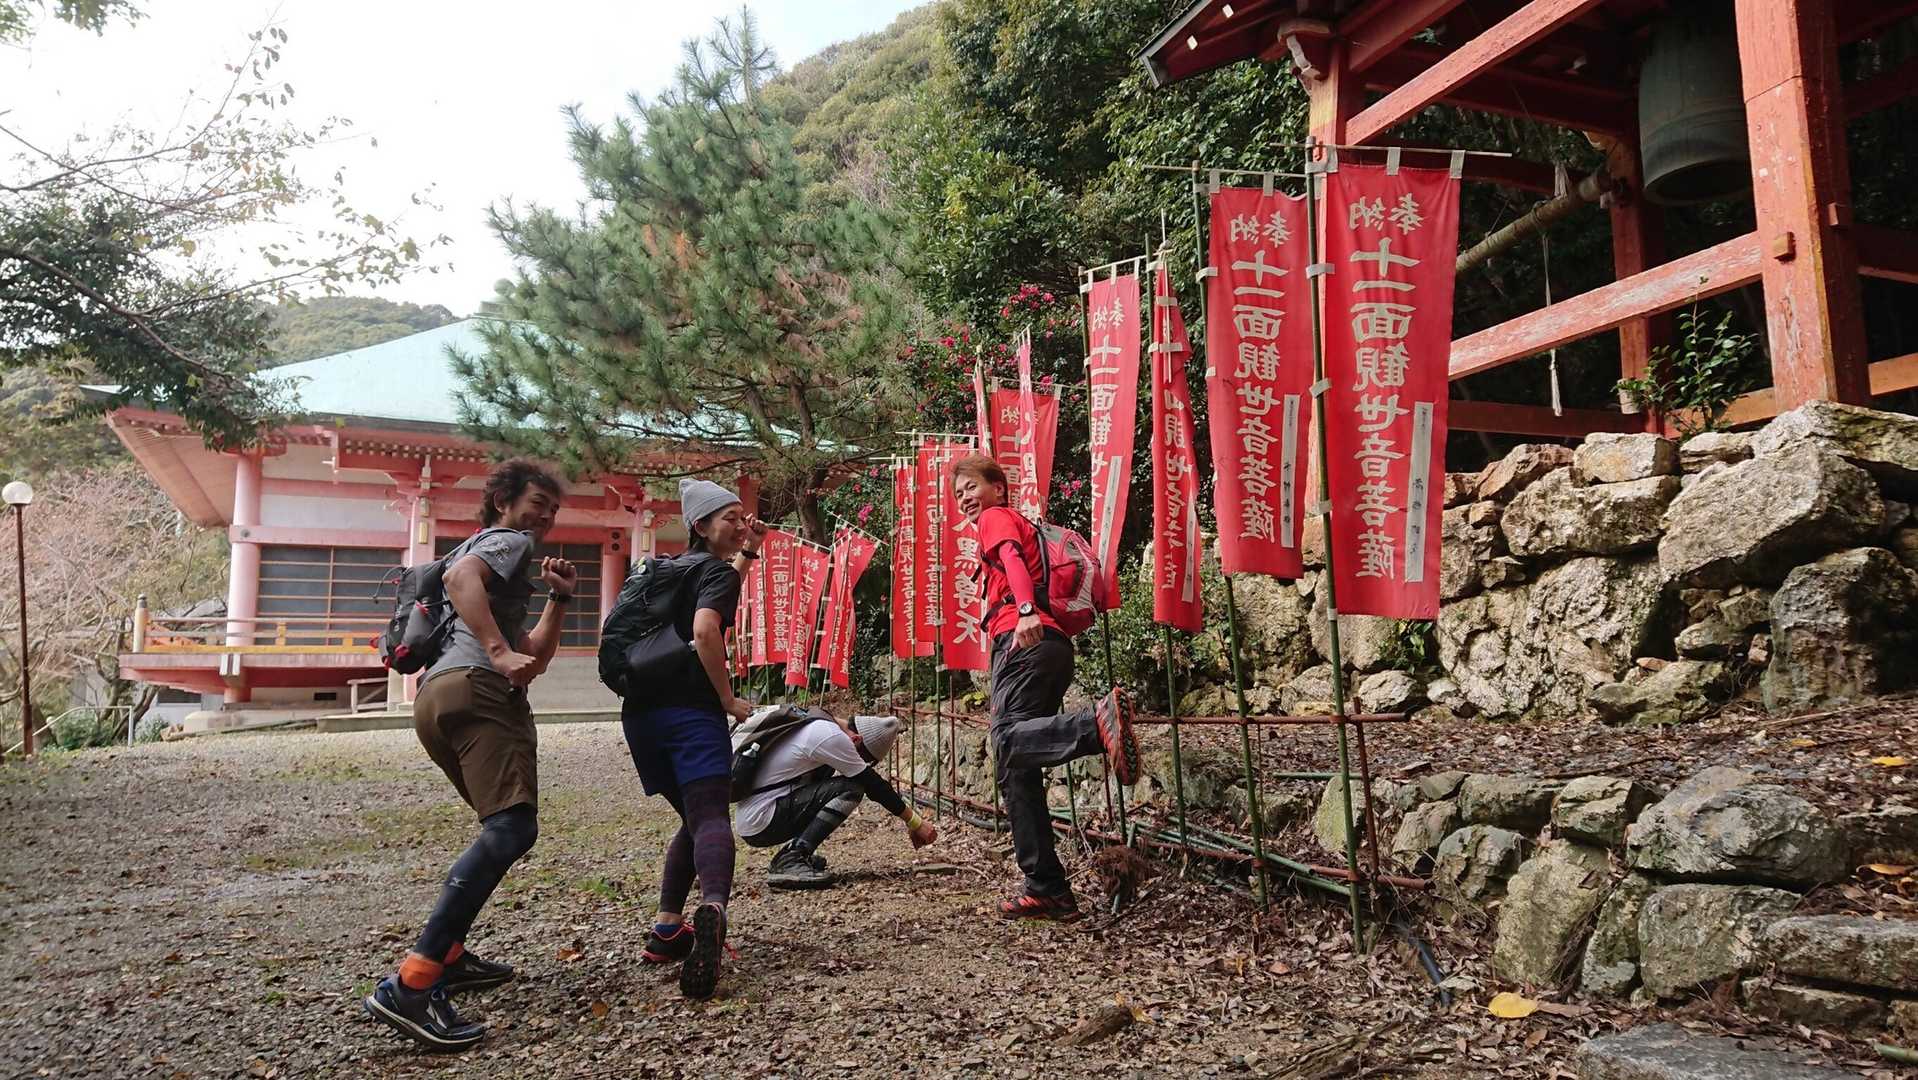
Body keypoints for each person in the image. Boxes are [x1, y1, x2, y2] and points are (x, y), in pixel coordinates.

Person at [364, 460, 577, 1050]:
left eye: (553, 509)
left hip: (437, 697)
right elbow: (463, 582)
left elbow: (533, 655)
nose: (545, 517)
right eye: (538, 502)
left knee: (500, 826)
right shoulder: (508, 540)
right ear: (504, 500)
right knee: (511, 828)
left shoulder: (483, 549)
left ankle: (451, 956)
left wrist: (558, 600)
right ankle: (414, 980)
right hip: (480, 690)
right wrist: (496, 652)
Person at [951, 454, 1137, 922]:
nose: (965, 498)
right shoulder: (1016, 521)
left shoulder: (996, 518)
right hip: (1049, 647)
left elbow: (1011, 559)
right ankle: (1047, 888)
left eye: (971, 487)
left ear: (998, 488)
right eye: (958, 494)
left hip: (1025, 639)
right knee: (1016, 768)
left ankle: (1095, 725)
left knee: (1005, 741)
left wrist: (1026, 611)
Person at [621, 478, 764, 1000]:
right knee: (710, 817)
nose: (740, 524)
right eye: (730, 518)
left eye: (742, 517)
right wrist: (726, 698)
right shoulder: (713, 572)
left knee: (692, 817)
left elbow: (716, 588)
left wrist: (749, 551)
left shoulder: (664, 569)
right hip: (690, 713)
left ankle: (666, 930)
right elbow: (706, 629)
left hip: (641, 717)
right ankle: (714, 910)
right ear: (700, 525)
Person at [737, 711, 936, 889]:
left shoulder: (819, 722)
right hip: (761, 819)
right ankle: (792, 858)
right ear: (856, 739)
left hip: (758, 814)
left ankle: (792, 856)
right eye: (864, 759)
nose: (861, 763)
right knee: (851, 788)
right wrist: (916, 822)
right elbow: (874, 786)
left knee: (839, 785)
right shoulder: (831, 737)